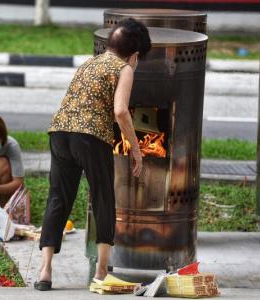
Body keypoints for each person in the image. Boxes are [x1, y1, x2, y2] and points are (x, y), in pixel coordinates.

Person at [35, 18, 151, 291]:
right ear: (135, 55)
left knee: (58, 199)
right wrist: (136, 149)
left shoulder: (88, 62)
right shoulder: (124, 68)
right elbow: (120, 111)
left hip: (60, 132)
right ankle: (100, 272)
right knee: (102, 197)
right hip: (90, 138)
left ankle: (45, 271)